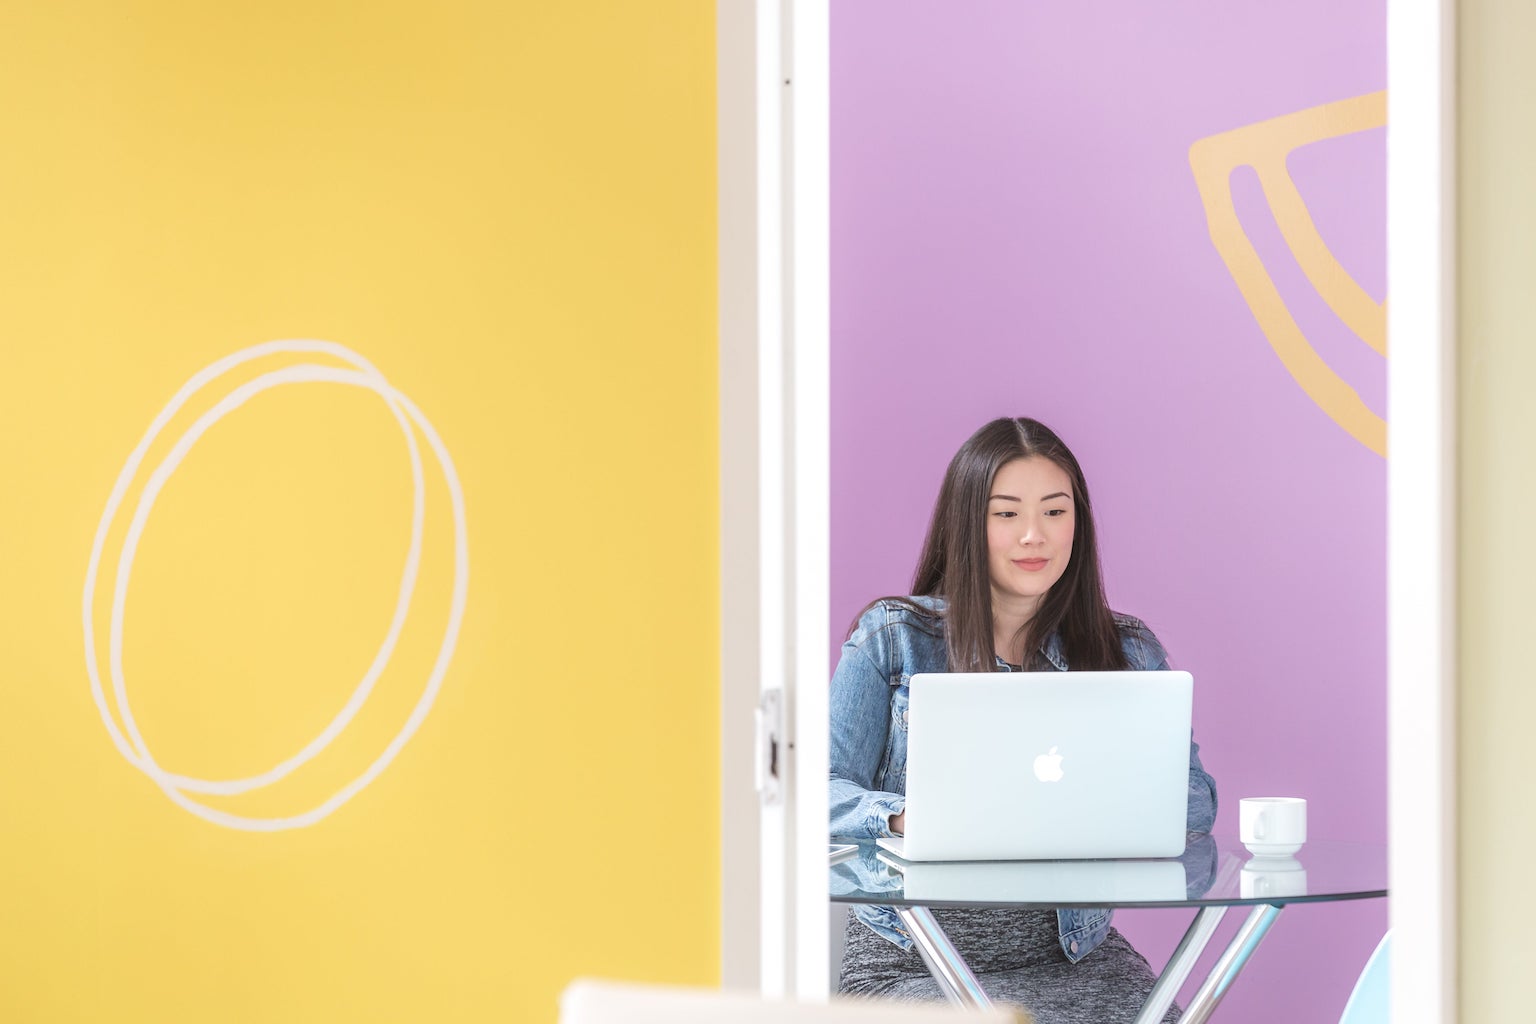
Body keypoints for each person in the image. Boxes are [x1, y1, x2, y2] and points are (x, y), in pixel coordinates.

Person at [829, 417, 1217, 1023]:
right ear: (967, 525)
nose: (1034, 536)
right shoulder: (892, 639)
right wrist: (903, 815)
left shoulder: (1128, 653)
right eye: (1005, 514)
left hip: (1075, 957)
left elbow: (1196, 805)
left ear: (1078, 525)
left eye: (1055, 512)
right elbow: (818, 798)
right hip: (912, 963)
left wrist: (1102, 798)